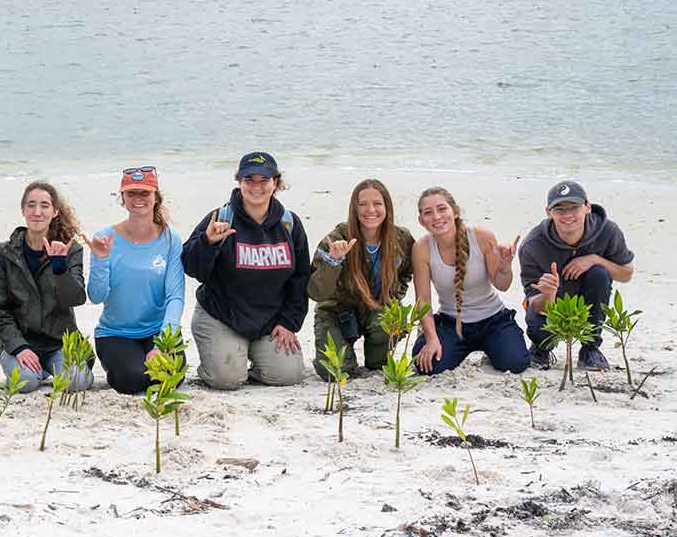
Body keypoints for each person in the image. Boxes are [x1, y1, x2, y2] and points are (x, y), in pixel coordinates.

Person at [182, 152, 310, 389]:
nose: (256, 187)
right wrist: (208, 243)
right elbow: (190, 267)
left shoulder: (289, 223)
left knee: (288, 375)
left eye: (264, 180)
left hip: (269, 321)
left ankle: (252, 358)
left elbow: (300, 279)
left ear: (276, 183)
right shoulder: (221, 218)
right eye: (249, 179)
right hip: (222, 315)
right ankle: (223, 358)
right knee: (226, 379)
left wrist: (289, 322)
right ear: (239, 181)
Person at [83, 166, 185, 394]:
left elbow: (175, 297)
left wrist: (161, 344)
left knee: (169, 377)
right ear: (123, 198)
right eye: (131, 193)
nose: (138, 199)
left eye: (144, 193)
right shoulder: (103, 238)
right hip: (116, 333)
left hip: (158, 330)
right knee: (132, 380)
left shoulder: (171, 239)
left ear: (156, 197)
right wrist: (101, 259)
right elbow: (97, 296)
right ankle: (123, 363)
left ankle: (151, 352)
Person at [0, 181, 91, 393]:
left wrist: (59, 267)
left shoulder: (71, 249)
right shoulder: (5, 252)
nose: (37, 212)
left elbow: (76, 298)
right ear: (23, 210)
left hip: (60, 342)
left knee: (75, 383)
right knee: (25, 382)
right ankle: (36, 369)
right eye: (31, 205)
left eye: (44, 206)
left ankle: (48, 366)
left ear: (55, 212)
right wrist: (19, 347)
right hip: (20, 340)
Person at [410, 187, 529, 375]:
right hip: (451, 324)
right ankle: (429, 337)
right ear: (421, 221)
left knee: (516, 363)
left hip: (493, 320)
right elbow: (423, 301)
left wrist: (505, 267)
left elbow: (502, 285)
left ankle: (493, 347)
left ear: (455, 212)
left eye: (442, 209)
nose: (436, 216)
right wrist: (432, 339)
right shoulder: (422, 248)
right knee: (427, 366)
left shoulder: (481, 236)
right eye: (428, 212)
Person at [519, 180, 635, 370]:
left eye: (574, 207)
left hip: (587, 298)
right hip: (553, 303)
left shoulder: (607, 231)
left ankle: (590, 350)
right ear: (548, 212)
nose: (567, 215)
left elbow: (627, 274)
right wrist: (548, 293)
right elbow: (534, 302)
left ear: (587, 207)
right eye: (559, 209)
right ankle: (541, 349)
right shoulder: (533, 245)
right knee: (538, 317)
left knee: (600, 274)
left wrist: (595, 259)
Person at [308, 179, 415, 379]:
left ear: (387, 207)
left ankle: (376, 354)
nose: (370, 210)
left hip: (377, 310)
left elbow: (406, 272)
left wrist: (394, 295)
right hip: (337, 312)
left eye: (377, 203)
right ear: (354, 208)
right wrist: (333, 262)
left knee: (378, 364)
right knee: (336, 372)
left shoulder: (402, 238)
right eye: (363, 204)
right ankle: (345, 352)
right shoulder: (337, 237)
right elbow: (316, 293)